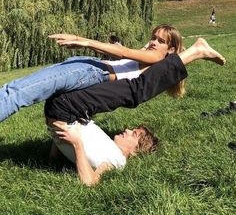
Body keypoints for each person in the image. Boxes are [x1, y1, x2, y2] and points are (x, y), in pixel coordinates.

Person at [45, 38, 225, 185]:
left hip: (64, 108)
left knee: (135, 91)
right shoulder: (110, 150)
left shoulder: (117, 161)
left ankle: (193, 52)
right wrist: (55, 155)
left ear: (135, 152)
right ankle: (172, 56)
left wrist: (75, 144)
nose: (127, 130)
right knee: (134, 90)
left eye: (135, 134)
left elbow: (90, 182)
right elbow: (66, 137)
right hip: (66, 109)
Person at [0, 25, 225, 122]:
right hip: (86, 65)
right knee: (18, 88)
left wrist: (84, 41)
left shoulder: (157, 60)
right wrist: (80, 41)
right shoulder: (148, 56)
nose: (153, 42)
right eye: (153, 37)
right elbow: (116, 54)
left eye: (160, 40)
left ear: (172, 50)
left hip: (90, 71)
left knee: (18, 92)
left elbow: (120, 50)